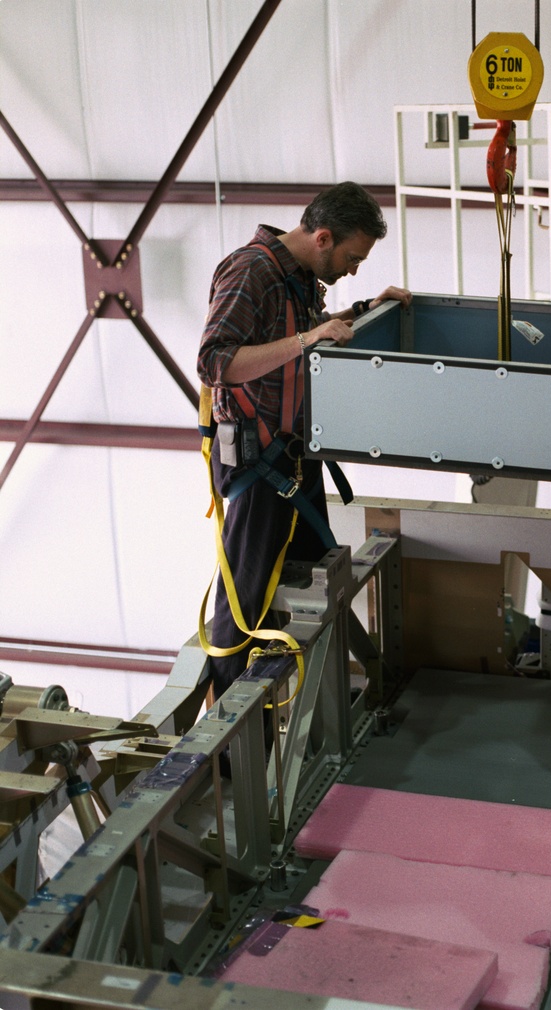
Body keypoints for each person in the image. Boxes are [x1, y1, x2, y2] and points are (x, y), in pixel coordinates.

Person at [197, 182, 412, 699]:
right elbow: (215, 361)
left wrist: (360, 310)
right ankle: (229, 745)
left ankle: (332, 699)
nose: (352, 269)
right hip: (259, 466)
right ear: (321, 236)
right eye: (351, 258)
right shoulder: (251, 271)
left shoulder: (294, 277)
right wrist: (306, 340)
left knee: (324, 580)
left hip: (292, 462)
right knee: (244, 607)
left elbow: (301, 330)